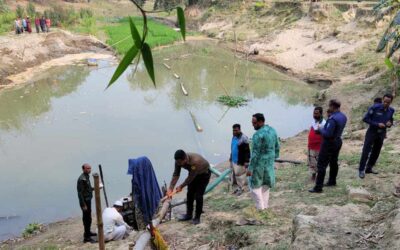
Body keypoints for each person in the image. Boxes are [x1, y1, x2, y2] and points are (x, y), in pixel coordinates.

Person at [309, 99, 347, 193]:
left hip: (329, 143)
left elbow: (328, 134)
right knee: (334, 162)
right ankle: (332, 181)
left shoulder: (333, 119)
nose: (328, 108)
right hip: (338, 141)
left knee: (321, 164)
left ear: (333, 107)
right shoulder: (343, 116)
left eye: (329, 106)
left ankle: (318, 187)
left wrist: (320, 130)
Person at [168, 150, 211, 225]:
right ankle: (189, 215)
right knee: (189, 194)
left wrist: (181, 186)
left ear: (185, 159)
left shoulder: (195, 162)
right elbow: (176, 175)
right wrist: (170, 189)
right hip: (193, 174)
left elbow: (191, 177)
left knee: (198, 196)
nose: (179, 164)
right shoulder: (178, 161)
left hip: (203, 175)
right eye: (177, 163)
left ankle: (197, 217)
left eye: (180, 163)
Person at [247, 113, 280, 210]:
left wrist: (250, 168)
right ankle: (265, 207)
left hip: (259, 165)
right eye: (252, 123)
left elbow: (255, 153)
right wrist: (273, 158)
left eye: (254, 123)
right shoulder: (272, 130)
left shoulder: (258, 135)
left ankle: (260, 208)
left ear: (261, 122)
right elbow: (277, 146)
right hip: (269, 163)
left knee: (255, 188)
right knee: (266, 185)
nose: (253, 125)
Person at [358, 94, 395, 178]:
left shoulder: (391, 110)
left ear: (391, 102)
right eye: (384, 101)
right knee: (366, 151)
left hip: (381, 133)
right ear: (382, 100)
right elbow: (365, 119)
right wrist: (377, 124)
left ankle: (369, 168)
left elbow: (391, 120)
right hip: (372, 132)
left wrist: (390, 124)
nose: (386, 103)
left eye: (388, 102)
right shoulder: (374, 108)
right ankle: (361, 169)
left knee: (376, 151)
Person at [77, 164, 97, 243]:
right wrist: (83, 204)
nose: (89, 169)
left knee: (89, 218)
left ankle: (88, 233)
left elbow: (88, 189)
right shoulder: (82, 179)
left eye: (90, 168)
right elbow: (80, 193)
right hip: (85, 201)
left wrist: (95, 188)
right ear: (83, 169)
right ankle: (87, 237)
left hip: (88, 200)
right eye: (88, 168)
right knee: (86, 219)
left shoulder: (87, 177)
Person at [229, 124, 251, 195]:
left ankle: (242, 189)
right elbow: (232, 147)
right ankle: (238, 188)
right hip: (233, 160)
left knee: (240, 176)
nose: (234, 132)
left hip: (240, 160)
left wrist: (246, 161)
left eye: (236, 130)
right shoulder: (234, 137)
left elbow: (247, 151)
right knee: (235, 175)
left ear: (239, 130)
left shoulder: (243, 138)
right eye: (233, 130)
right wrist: (231, 157)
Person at [307, 107, 326, 181]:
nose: (315, 115)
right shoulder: (313, 121)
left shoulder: (324, 123)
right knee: (312, 161)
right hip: (311, 145)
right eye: (314, 113)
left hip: (319, 146)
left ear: (321, 114)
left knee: (318, 161)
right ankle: (313, 174)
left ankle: (319, 175)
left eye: (317, 113)